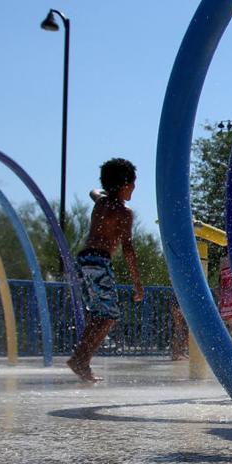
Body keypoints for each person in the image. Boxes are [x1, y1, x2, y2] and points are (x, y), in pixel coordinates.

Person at [65, 158, 145, 383]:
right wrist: (137, 282)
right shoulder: (124, 212)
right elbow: (128, 249)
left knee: (99, 314)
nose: (135, 189)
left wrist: (107, 190)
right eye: (133, 184)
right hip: (100, 263)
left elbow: (94, 191)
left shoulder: (100, 202)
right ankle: (80, 359)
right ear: (125, 185)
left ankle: (81, 360)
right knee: (108, 316)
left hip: (84, 261)